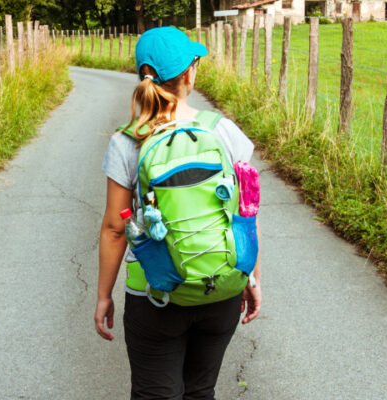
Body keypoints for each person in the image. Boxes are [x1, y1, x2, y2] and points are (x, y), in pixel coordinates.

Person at [94, 26, 261, 400]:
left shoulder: (128, 141)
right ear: (189, 73)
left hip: (155, 293)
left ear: (144, 75)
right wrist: (250, 275)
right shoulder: (223, 132)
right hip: (222, 287)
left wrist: (104, 295)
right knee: (200, 391)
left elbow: (114, 228)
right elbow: (245, 212)